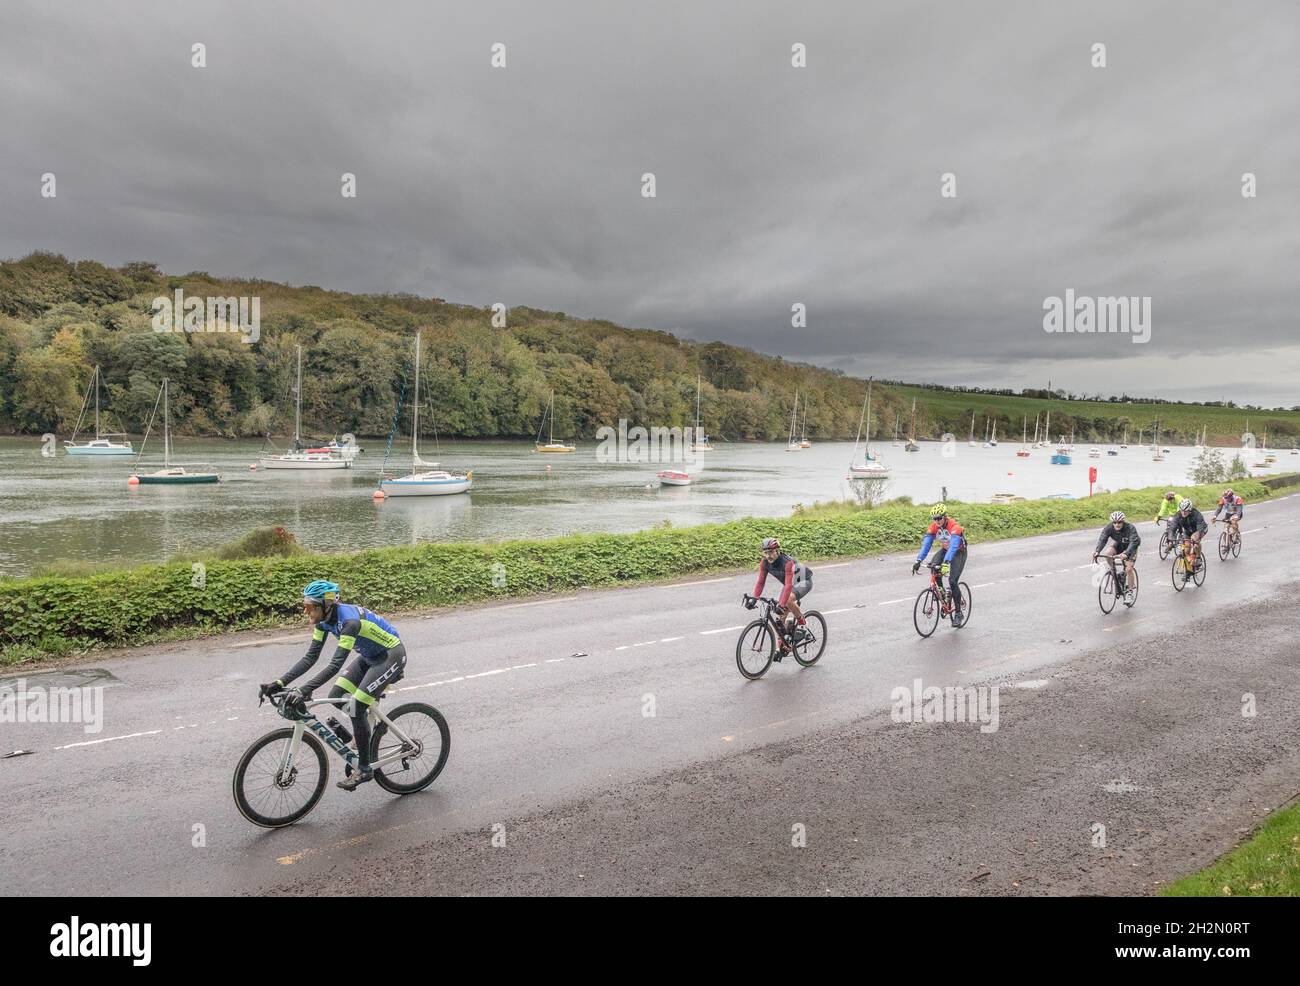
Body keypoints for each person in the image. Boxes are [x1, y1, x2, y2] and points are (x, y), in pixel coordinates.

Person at [260, 580, 407, 791]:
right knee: (337, 695)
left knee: (356, 706)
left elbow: (334, 665)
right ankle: (364, 732)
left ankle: (365, 769)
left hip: (390, 656)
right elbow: (311, 657)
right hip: (369, 656)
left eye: (310, 607)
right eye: (305, 606)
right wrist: (280, 682)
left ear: (326, 605)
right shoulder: (323, 622)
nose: (305, 611)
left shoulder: (349, 623)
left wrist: (304, 690)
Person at [745, 537, 812, 656]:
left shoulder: (787, 562)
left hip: (803, 580)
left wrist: (781, 604)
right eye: (765, 552)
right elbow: (761, 582)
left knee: (787, 601)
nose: (768, 555)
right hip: (790, 584)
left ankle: (803, 624)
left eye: (770, 552)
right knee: (780, 618)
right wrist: (754, 599)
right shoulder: (764, 562)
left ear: (777, 551)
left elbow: (787, 585)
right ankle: (781, 646)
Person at [911, 503, 967, 626]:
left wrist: (946, 562)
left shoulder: (954, 527)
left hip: (959, 552)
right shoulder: (934, 527)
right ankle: (941, 593)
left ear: (945, 516)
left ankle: (958, 613)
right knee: (934, 566)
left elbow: (953, 546)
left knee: (952, 581)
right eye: (934, 519)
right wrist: (918, 560)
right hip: (946, 550)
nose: (937, 521)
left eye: (939, 518)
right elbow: (926, 544)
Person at [1093, 510, 1140, 597]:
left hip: (1131, 547)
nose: (1117, 524)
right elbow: (1103, 539)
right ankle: (1114, 572)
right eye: (1114, 522)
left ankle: (1130, 592)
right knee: (1108, 553)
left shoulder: (1130, 528)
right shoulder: (1109, 528)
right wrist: (1097, 551)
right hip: (1118, 544)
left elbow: (1134, 542)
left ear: (1123, 521)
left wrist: (1126, 553)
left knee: (1129, 569)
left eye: (1119, 522)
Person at [1169, 497, 1208, 570]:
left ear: (1190, 510)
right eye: (1182, 510)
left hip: (1200, 529)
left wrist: (1196, 540)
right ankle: (1189, 569)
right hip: (1188, 531)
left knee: (1194, 540)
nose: (1183, 512)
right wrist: (1171, 538)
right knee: (1186, 550)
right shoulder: (1178, 515)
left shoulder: (1197, 514)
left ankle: (1198, 557)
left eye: (1185, 511)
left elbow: (1199, 529)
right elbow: (1172, 527)